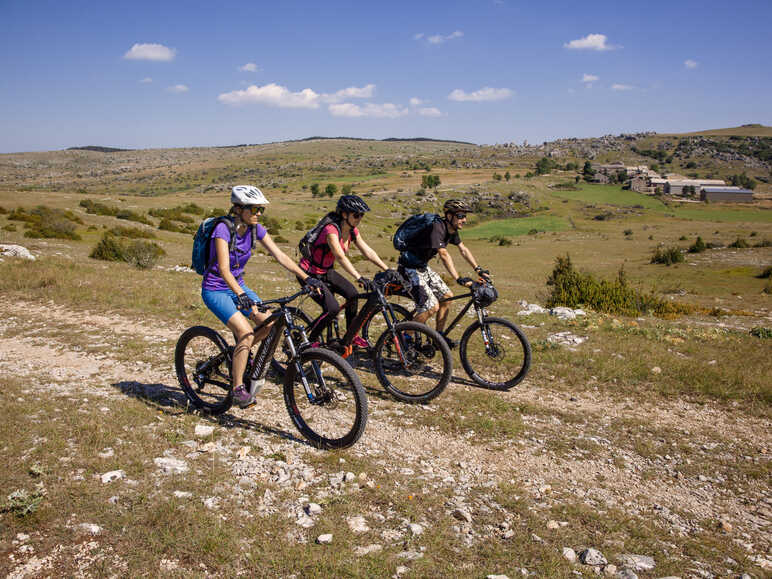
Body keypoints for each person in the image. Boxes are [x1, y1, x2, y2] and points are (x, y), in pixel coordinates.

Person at [201, 185, 322, 408]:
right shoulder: (223, 229)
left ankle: (240, 354)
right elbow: (224, 270)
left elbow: (280, 255)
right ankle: (237, 388)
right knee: (245, 332)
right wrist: (240, 295)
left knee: (269, 322)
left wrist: (306, 278)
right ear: (238, 209)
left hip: (238, 287)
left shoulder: (255, 229)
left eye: (261, 210)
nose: (259, 214)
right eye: (255, 209)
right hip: (216, 288)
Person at [298, 194, 389, 347]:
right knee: (332, 309)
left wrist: (387, 269)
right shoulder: (331, 230)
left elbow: (368, 252)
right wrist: (359, 276)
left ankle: (351, 336)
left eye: (361, 215)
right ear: (344, 214)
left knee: (353, 295)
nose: (359, 218)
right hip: (309, 273)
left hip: (326, 271)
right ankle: (309, 342)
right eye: (356, 214)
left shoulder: (353, 231)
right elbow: (339, 256)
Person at [397, 199, 491, 345]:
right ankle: (405, 337)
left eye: (465, 216)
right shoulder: (438, 227)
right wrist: (458, 278)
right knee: (431, 307)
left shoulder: (451, 230)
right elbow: (443, 254)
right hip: (408, 268)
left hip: (422, 266)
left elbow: (463, 250)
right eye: (460, 216)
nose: (464, 220)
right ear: (449, 216)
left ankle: (438, 338)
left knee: (447, 297)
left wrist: (478, 269)